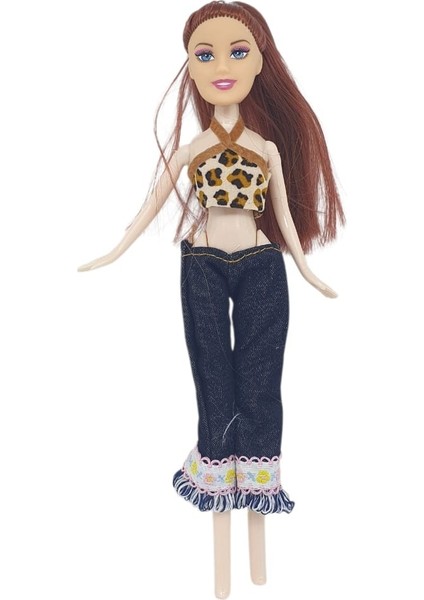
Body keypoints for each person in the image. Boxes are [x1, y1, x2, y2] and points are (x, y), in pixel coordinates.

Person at [79, 2, 344, 595]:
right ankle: (223, 545)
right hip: (202, 263)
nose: (221, 66)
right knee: (213, 386)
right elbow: (148, 209)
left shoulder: (267, 149)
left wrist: (306, 269)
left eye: (237, 52)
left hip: (261, 263)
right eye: (205, 55)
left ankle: (257, 538)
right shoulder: (191, 149)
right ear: (191, 67)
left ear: (260, 64)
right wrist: (113, 250)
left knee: (260, 383)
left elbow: (284, 220)